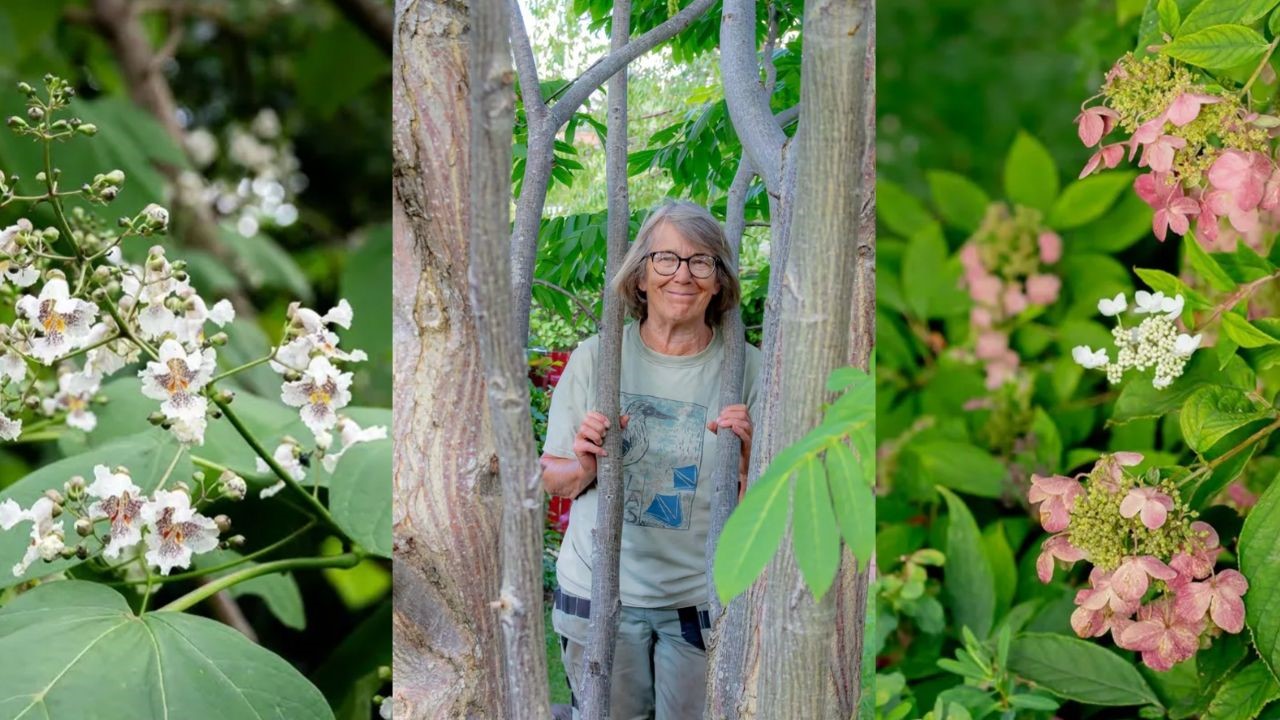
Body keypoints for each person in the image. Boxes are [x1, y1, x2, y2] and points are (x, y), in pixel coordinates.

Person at [540, 201, 762, 720]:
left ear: (718, 281)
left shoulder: (746, 369)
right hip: (600, 592)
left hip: (699, 599)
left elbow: (764, 513)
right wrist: (585, 464)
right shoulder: (597, 358)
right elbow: (553, 478)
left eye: (701, 261)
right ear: (640, 276)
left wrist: (749, 465)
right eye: (666, 259)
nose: (682, 275)